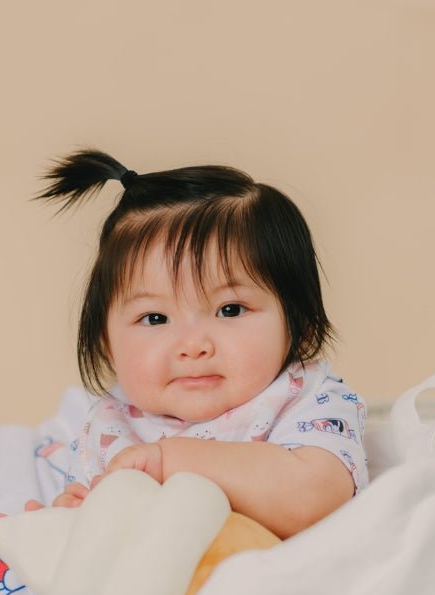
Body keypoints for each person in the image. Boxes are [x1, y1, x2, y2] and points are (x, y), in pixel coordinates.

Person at [28, 147, 368, 539]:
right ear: (107, 344)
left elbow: (312, 499)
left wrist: (167, 461)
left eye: (230, 310)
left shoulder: (306, 400)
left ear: (300, 325)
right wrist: (68, 522)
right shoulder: (111, 428)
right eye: (154, 318)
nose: (192, 346)